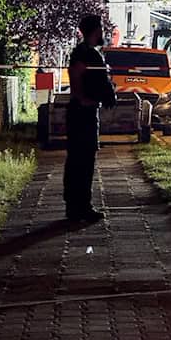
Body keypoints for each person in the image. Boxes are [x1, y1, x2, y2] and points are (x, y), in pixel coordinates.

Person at [63, 14, 115, 222]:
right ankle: (80, 207)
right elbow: (76, 75)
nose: (103, 32)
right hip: (82, 112)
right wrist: (82, 98)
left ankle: (76, 206)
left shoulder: (87, 52)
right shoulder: (85, 53)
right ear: (95, 30)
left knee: (80, 159)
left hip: (84, 110)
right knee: (82, 161)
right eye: (100, 28)